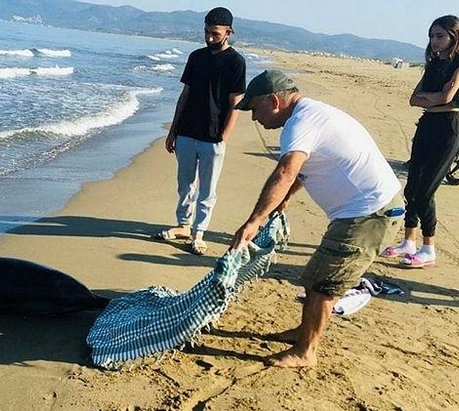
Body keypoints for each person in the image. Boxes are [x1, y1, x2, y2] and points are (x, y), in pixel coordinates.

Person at [230, 70, 403, 367]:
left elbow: (286, 171)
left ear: (273, 101)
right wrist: (285, 198)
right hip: (366, 210)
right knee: (316, 278)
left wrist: (255, 220)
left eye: (255, 109)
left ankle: (305, 351)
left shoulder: (300, 122)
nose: (254, 118)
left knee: (324, 285)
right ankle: (303, 332)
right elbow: (303, 170)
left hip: (368, 214)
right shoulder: (311, 114)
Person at [381, 15, 459, 268]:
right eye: (432, 36)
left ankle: (428, 248)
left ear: (454, 36)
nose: (434, 41)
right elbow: (414, 99)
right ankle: (408, 241)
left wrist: (432, 97)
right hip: (426, 126)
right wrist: (434, 98)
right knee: (412, 186)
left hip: (448, 129)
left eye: (440, 36)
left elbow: (448, 97)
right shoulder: (433, 65)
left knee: (426, 189)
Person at [154, 6, 246, 255]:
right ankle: (183, 225)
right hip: (186, 132)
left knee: (208, 189)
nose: (209, 38)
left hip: (213, 136)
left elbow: (235, 103)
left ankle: (200, 233)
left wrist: (224, 137)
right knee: (185, 184)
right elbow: (184, 95)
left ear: (229, 32)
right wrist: (173, 131)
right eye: (206, 32)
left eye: (215, 33)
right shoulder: (196, 57)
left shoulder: (236, 62)